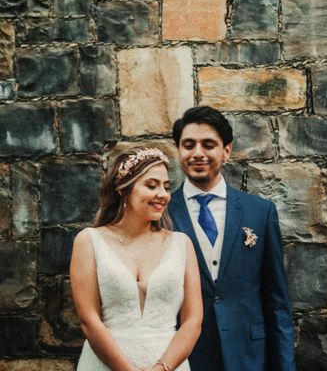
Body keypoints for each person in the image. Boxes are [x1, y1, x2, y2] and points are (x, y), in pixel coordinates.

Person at [169, 106, 295, 371]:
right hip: (186, 358)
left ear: (226, 151)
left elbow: (277, 302)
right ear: (179, 151)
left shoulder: (259, 212)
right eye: (188, 145)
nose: (198, 153)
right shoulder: (163, 214)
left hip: (249, 356)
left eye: (208, 144)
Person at [70, 147, 203, 371]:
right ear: (124, 190)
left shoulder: (182, 244)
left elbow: (193, 321)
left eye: (166, 187)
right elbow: (89, 321)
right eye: (152, 186)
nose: (163, 194)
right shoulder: (89, 241)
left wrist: (162, 368)